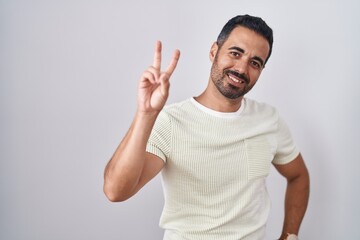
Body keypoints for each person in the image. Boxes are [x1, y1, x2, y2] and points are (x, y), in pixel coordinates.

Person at [103, 14, 310, 240]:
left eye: (255, 62)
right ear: (214, 51)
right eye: (235, 53)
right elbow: (115, 191)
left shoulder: (269, 119)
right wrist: (146, 113)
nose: (241, 68)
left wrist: (290, 236)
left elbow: (298, 176)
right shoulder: (172, 121)